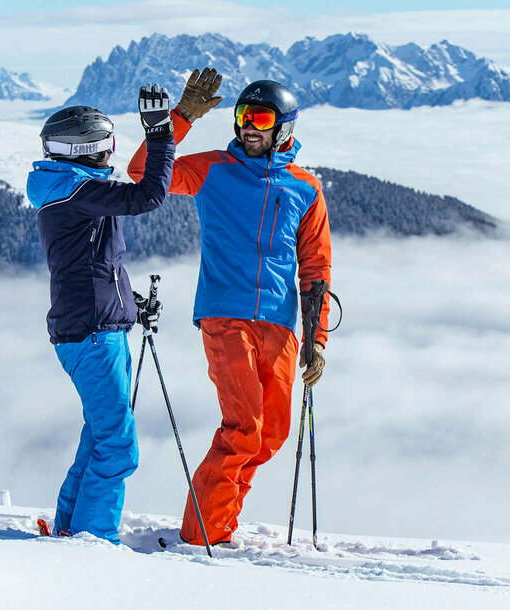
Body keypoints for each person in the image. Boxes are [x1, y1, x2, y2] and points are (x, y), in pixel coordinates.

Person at [128, 69, 332, 546]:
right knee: (243, 427)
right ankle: (204, 537)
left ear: (284, 127)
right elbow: (142, 173)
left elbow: (316, 270)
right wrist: (178, 120)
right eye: (242, 115)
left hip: (280, 325)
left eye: (259, 117)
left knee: (271, 433)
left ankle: (219, 520)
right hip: (225, 315)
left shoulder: (306, 189)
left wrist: (316, 339)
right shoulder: (214, 169)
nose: (247, 125)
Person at [26, 84, 174, 543]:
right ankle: (93, 543)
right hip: (92, 334)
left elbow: (98, 265)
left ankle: (71, 528)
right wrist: (160, 135)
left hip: (90, 328)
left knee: (99, 437)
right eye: (108, 145)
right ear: (87, 148)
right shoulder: (78, 192)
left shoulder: (67, 190)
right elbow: (148, 196)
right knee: (118, 448)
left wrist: (128, 303)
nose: (111, 152)